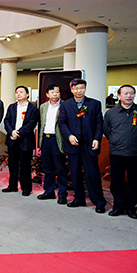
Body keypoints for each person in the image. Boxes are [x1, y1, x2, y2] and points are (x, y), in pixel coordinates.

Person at [58, 78, 107, 214]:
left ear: (85, 89)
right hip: (73, 144)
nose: (79, 91)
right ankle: (79, 198)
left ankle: (99, 202)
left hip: (89, 144)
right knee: (75, 173)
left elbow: (99, 123)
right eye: (76, 88)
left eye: (82, 88)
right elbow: (62, 123)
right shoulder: (66, 105)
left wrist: (97, 138)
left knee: (92, 174)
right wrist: (69, 136)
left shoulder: (94, 104)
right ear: (72, 90)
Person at [103, 85, 137, 219]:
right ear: (119, 95)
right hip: (117, 152)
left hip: (136, 153)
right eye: (126, 93)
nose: (129, 96)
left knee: (134, 182)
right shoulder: (111, 113)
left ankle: (131, 208)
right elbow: (106, 130)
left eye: (132, 93)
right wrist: (115, 141)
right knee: (116, 182)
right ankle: (118, 206)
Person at [2, 86, 39, 196]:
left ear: (27, 94)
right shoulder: (12, 107)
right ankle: (12, 186)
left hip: (25, 140)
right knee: (12, 164)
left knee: (25, 165)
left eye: (21, 92)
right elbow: (7, 121)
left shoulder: (32, 108)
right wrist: (11, 132)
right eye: (17, 92)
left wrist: (18, 133)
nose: (18, 94)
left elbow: (31, 124)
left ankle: (26, 188)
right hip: (12, 139)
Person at [37, 84, 69, 204]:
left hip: (58, 140)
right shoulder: (43, 107)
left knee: (60, 168)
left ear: (60, 94)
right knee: (47, 167)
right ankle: (49, 191)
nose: (55, 94)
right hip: (46, 139)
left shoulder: (65, 105)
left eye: (57, 92)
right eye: (52, 92)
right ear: (47, 94)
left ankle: (62, 194)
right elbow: (41, 124)